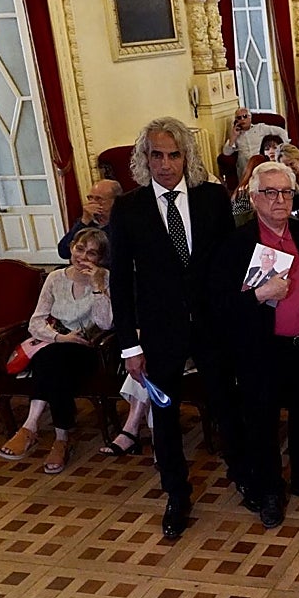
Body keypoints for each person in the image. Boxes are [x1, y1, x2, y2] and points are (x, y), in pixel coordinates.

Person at [109, 117, 235, 539]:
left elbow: (228, 268)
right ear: (145, 159)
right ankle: (176, 496)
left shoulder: (212, 199)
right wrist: (129, 346)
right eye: (156, 155)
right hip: (160, 334)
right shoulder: (129, 209)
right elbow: (120, 283)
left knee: (227, 407)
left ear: (187, 157)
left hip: (214, 329)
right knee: (164, 419)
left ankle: (246, 477)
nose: (165, 164)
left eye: (173, 154)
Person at [211, 162, 299, 528]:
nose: (280, 199)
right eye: (270, 192)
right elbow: (220, 306)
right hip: (260, 349)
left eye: (286, 192)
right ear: (253, 197)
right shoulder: (237, 243)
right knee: (261, 422)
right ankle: (268, 490)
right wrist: (259, 295)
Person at [0, 228, 115, 474]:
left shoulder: (105, 278)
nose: (82, 256)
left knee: (51, 361)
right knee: (53, 360)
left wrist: (97, 287)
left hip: (90, 349)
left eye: (91, 253)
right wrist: (60, 337)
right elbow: (36, 322)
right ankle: (61, 436)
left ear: (101, 258)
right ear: (71, 247)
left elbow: (106, 323)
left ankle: (31, 428)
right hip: (56, 343)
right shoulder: (55, 278)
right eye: (79, 248)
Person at [58, 180, 122, 261]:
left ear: (116, 201)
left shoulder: (124, 222)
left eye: (99, 199)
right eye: (90, 198)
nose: (92, 203)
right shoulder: (85, 221)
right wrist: (84, 221)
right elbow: (63, 252)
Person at [222, 108, 290, 170]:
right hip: (245, 167)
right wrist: (233, 137)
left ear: (250, 117)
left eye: (245, 116)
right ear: (236, 121)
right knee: (242, 160)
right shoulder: (236, 134)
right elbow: (226, 153)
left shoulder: (260, 128)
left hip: (260, 163)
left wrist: (285, 147)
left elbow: (281, 131)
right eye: (239, 118)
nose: (242, 119)